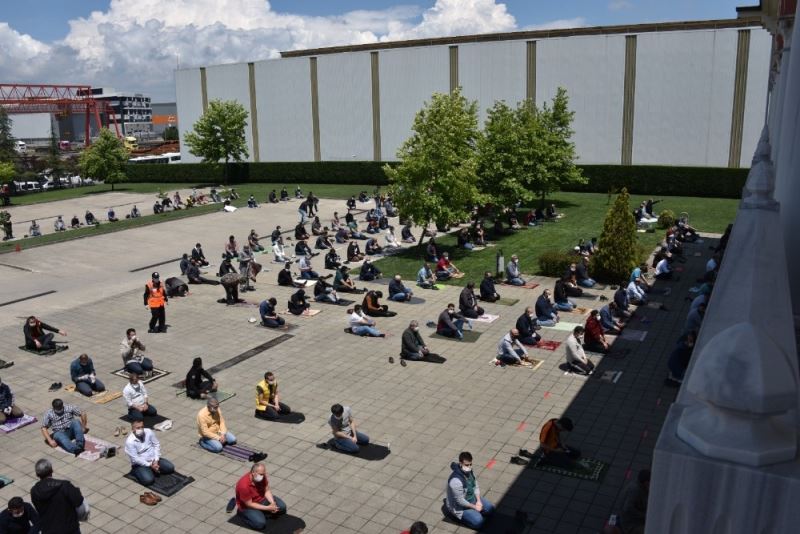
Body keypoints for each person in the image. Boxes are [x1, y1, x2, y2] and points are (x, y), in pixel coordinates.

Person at [30, 458, 88, 534]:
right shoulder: (64, 486)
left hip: (49, 530)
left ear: (37, 474)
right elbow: (79, 501)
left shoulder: (34, 491)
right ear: (51, 470)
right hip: (69, 529)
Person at [445, 451, 495, 529]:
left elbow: (475, 486)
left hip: (473, 499)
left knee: (491, 509)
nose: (469, 467)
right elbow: (460, 501)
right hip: (461, 507)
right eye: (467, 465)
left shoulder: (469, 471)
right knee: (479, 523)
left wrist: (478, 500)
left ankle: (476, 513)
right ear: (460, 463)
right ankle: (457, 517)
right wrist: (475, 507)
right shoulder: (456, 481)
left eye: (470, 464)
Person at [233, 463, 287, 529]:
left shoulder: (261, 476)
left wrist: (273, 503)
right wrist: (268, 508)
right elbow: (249, 504)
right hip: (248, 507)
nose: (263, 476)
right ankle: (242, 514)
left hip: (262, 499)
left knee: (282, 507)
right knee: (260, 524)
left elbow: (266, 491)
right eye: (261, 474)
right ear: (253, 473)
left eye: (264, 473)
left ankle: (263, 512)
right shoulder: (243, 486)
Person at [125, 420, 175, 486]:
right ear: (132, 429)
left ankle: (152, 469)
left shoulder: (148, 431)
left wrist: (156, 460)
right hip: (140, 464)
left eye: (142, 427)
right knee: (148, 480)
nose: (141, 429)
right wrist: (150, 465)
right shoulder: (130, 442)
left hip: (154, 459)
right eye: (138, 428)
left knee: (170, 468)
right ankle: (135, 472)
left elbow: (156, 444)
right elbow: (135, 459)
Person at [620, 469, 650, 534]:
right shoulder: (635, 491)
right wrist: (643, 515)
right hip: (631, 524)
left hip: (639, 516)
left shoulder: (641, 486)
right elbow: (627, 508)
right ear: (646, 482)